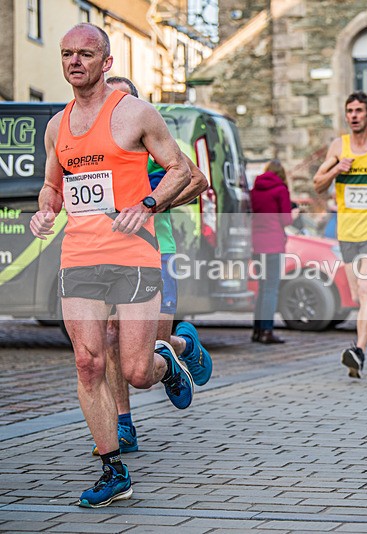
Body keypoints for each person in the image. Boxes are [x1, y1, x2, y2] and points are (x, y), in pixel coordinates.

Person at [29, 24, 210, 508]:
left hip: (134, 256)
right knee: (88, 362)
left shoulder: (135, 113)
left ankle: (166, 362)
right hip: (79, 256)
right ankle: (113, 470)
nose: (74, 61)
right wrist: (46, 210)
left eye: (85, 54)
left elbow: (181, 169)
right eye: (67, 53)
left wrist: (149, 204)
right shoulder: (57, 125)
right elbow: (52, 185)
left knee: (134, 370)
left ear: (106, 62)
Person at [89, 77, 212, 457]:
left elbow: (198, 179)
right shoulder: (97, 148)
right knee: (111, 336)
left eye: (121, 98)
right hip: (110, 254)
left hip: (157, 251)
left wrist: (155, 205)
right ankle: (123, 425)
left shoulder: (150, 142)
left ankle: (183, 345)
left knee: (150, 348)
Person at [312, 91, 367, 378]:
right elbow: (317, 184)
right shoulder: (338, 146)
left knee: (365, 290)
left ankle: (358, 351)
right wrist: (336, 169)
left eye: (359, 111)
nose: (353, 116)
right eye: (349, 111)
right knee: (356, 295)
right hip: (347, 230)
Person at [251, 159, 292, 343]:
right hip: (274, 245)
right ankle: (267, 331)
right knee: (271, 289)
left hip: (256, 245)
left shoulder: (254, 191)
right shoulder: (281, 190)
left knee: (262, 288)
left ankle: (257, 331)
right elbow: (286, 220)